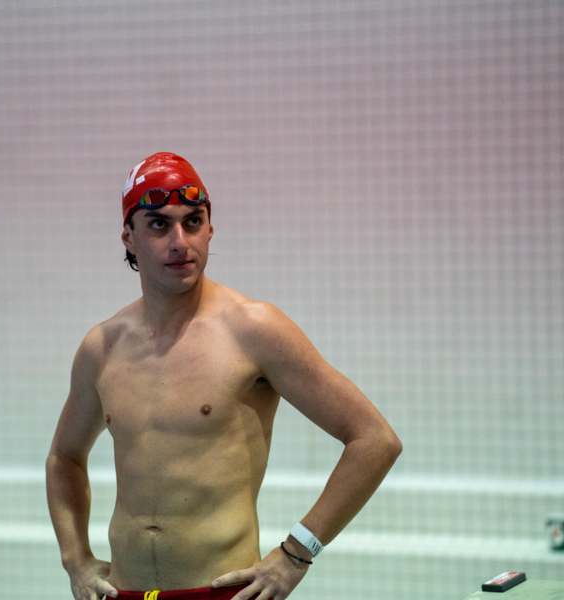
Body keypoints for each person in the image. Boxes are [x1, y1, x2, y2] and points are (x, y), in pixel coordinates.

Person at [46, 152, 402, 600]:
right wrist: (75, 560)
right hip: (125, 591)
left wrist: (295, 554)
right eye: (159, 224)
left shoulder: (254, 330)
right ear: (128, 237)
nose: (180, 241)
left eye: (193, 222)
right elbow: (64, 458)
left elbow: (374, 440)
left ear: (210, 228)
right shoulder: (102, 348)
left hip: (221, 591)